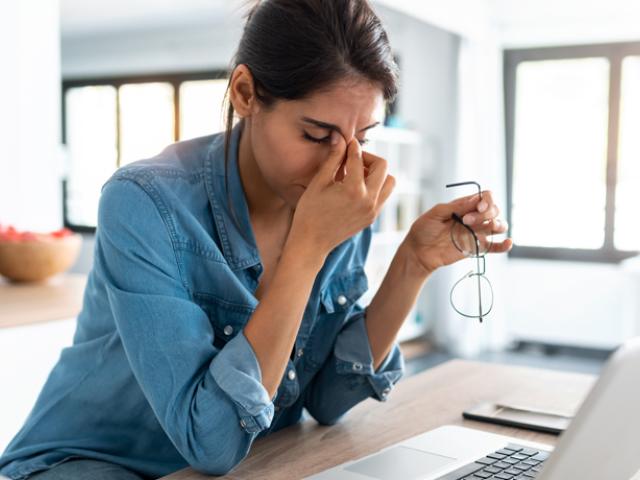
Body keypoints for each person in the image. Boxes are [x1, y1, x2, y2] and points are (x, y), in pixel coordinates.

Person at [0, 0, 512, 478]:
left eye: (364, 138)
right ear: (245, 94)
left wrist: (412, 265)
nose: (343, 166)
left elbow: (329, 399)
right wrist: (306, 250)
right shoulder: (144, 202)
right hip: (92, 463)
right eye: (316, 135)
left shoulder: (340, 199)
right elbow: (212, 443)